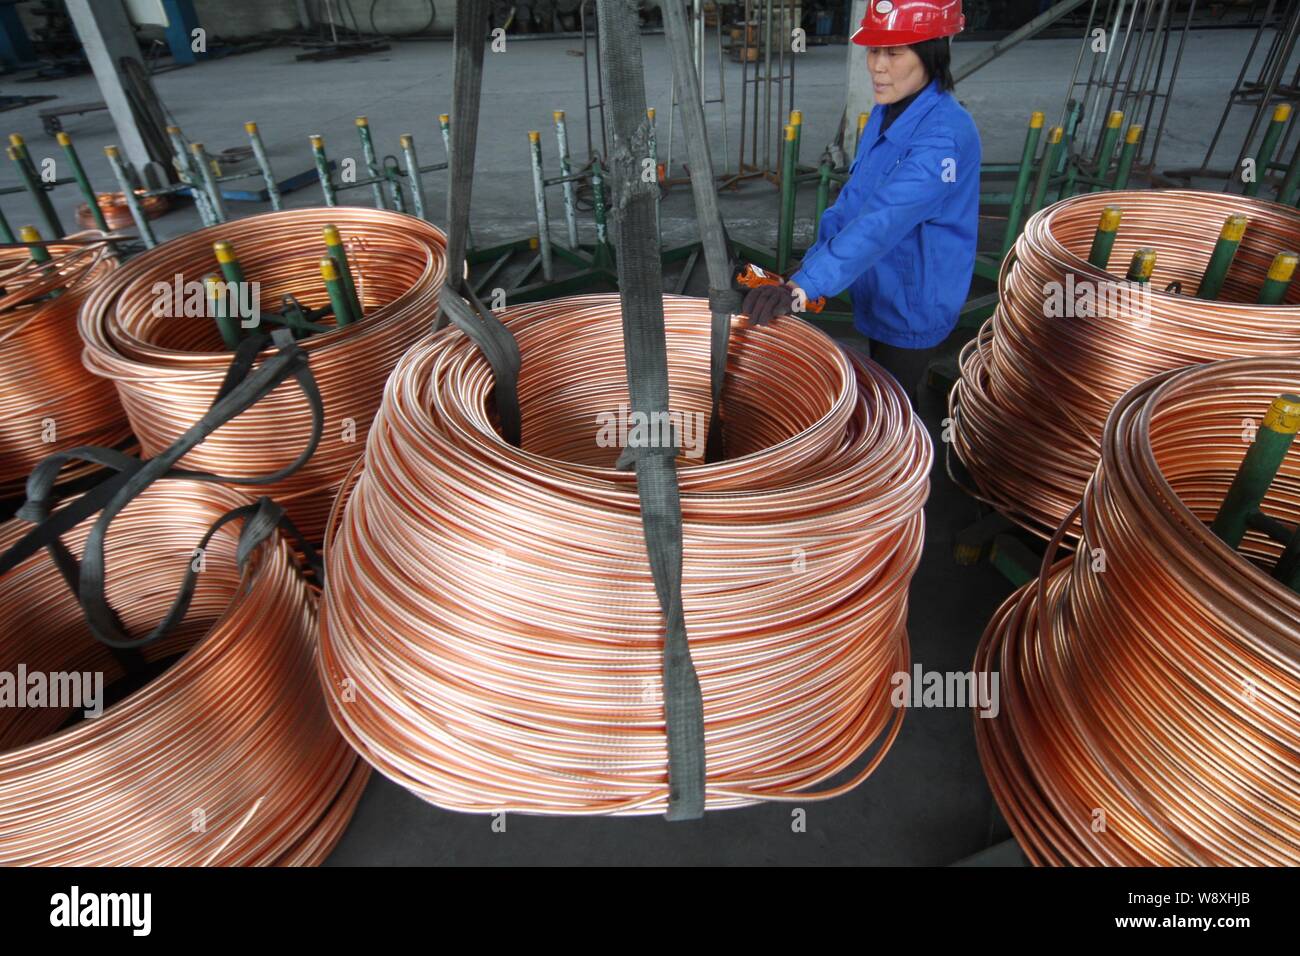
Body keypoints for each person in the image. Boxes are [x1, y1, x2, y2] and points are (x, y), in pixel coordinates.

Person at [741, 0, 981, 403]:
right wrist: (811, 266)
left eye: (894, 52)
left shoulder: (943, 139)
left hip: (914, 298)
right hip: (880, 284)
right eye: (873, 50)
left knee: (893, 411)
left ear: (933, 52)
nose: (877, 66)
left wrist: (805, 287)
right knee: (880, 391)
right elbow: (856, 202)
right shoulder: (890, 112)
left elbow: (883, 221)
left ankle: (909, 464)